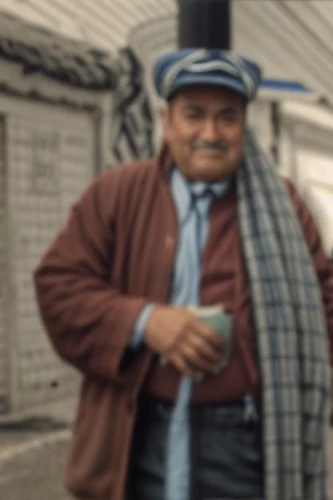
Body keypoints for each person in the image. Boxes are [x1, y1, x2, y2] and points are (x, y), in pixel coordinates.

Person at [34, 48, 333, 500]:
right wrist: (144, 321)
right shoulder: (117, 194)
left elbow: (323, 302)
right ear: (166, 120)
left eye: (226, 118)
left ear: (243, 126)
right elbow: (59, 285)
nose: (210, 133)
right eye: (194, 115)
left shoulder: (283, 207)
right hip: (136, 436)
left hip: (248, 445)